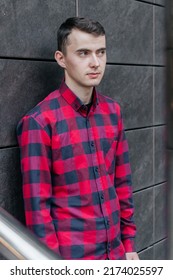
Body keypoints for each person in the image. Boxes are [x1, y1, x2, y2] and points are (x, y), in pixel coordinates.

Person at [17, 17, 139, 260]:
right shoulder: (39, 122)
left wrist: (129, 245)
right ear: (61, 59)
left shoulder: (113, 112)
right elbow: (38, 211)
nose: (95, 63)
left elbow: (122, 185)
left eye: (101, 52)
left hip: (116, 254)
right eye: (83, 53)